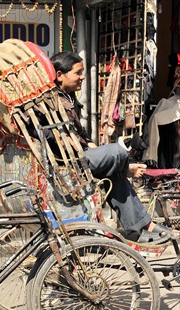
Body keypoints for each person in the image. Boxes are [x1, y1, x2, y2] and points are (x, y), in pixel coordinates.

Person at [50, 51, 176, 242]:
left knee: (115, 173)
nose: (82, 77)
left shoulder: (69, 98)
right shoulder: (54, 101)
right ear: (60, 75)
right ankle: (127, 170)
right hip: (70, 160)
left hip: (82, 155)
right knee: (117, 152)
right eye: (78, 73)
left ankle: (142, 226)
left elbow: (84, 137)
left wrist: (99, 153)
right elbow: (62, 140)